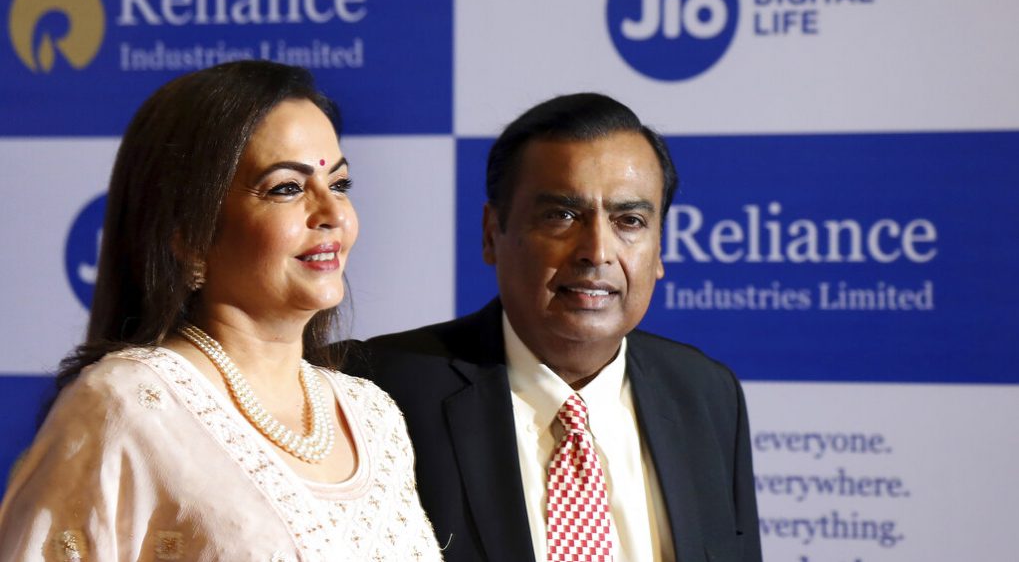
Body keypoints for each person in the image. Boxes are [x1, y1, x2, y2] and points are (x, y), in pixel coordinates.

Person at [0, 61, 441, 561]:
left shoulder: (372, 416)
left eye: (338, 184)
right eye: (287, 188)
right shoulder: (127, 405)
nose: (334, 214)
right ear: (188, 236)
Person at [348, 93, 762, 562]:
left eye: (630, 221)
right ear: (491, 234)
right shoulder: (379, 390)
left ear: (660, 248)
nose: (597, 252)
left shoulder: (706, 395)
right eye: (562, 216)